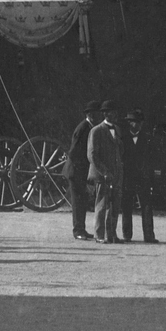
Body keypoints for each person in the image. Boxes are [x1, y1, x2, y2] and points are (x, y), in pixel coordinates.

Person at [63, 100, 102, 241]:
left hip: (81, 171)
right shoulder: (83, 128)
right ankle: (77, 230)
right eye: (95, 114)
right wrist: (81, 172)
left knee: (82, 201)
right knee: (77, 202)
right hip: (75, 171)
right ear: (90, 114)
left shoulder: (91, 127)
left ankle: (82, 229)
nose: (97, 116)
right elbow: (74, 153)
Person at [87, 100, 124, 244]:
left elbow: (119, 150)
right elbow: (92, 155)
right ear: (105, 114)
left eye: (115, 112)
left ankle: (111, 234)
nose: (114, 115)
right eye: (110, 112)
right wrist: (105, 171)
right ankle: (99, 234)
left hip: (116, 174)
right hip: (102, 175)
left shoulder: (118, 130)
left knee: (115, 206)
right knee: (102, 205)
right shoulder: (96, 131)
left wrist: (118, 168)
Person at [120, 109, 158, 243]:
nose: (137, 125)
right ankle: (127, 235)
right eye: (135, 122)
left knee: (147, 206)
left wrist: (151, 178)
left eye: (139, 122)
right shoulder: (122, 138)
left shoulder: (147, 138)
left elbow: (152, 159)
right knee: (126, 205)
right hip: (128, 176)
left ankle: (149, 235)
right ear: (129, 123)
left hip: (143, 177)